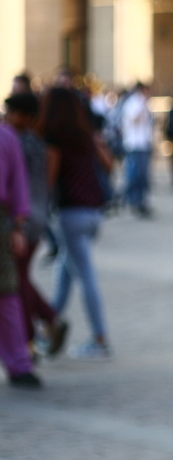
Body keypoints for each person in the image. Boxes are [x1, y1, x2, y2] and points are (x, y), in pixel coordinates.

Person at [40, 87, 112, 359]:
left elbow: (48, 180)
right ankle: (47, 328)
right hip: (94, 211)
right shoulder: (85, 136)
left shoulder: (55, 140)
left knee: (84, 276)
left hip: (71, 212)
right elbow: (108, 163)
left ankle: (100, 338)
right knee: (65, 273)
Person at [5, 93, 66, 356]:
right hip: (37, 216)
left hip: (22, 219)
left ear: (27, 116)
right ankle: (46, 324)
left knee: (15, 283)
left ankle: (30, 338)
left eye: (12, 112)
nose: (7, 117)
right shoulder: (38, 143)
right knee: (19, 279)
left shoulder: (16, 142)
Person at [0, 102, 39, 386]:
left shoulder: (6, 137)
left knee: (7, 295)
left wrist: (18, 226)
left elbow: (18, 184)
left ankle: (19, 364)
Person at [119, 81, 153, 217]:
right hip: (135, 144)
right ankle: (133, 200)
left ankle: (140, 200)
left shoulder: (141, 102)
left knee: (143, 175)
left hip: (143, 143)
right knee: (135, 175)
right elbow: (134, 120)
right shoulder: (135, 102)